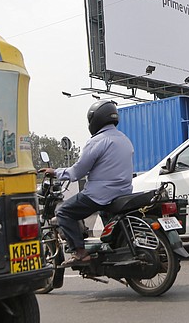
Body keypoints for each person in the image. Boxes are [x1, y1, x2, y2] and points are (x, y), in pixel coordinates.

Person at [41, 99, 134, 266]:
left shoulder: (97, 141)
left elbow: (77, 172)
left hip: (100, 195)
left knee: (64, 212)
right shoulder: (124, 139)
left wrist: (56, 172)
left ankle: (80, 253)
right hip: (123, 193)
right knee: (104, 213)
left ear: (95, 119)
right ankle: (109, 249)